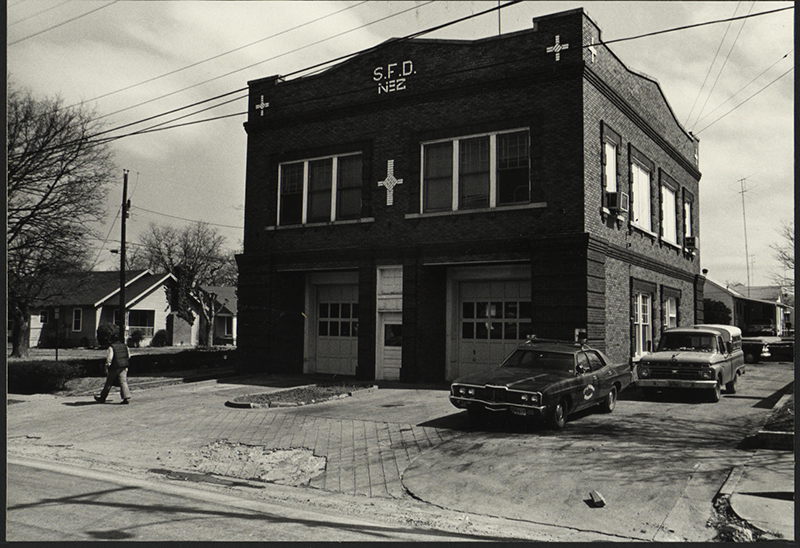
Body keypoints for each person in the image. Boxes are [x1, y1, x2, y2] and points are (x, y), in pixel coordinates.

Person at [94, 333, 131, 404]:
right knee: (123, 381)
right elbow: (128, 356)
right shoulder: (125, 346)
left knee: (109, 382)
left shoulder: (111, 347)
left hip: (115, 366)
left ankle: (102, 398)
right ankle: (126, 397)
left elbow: (109, 358)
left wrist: (107, 365)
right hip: (124, 366)